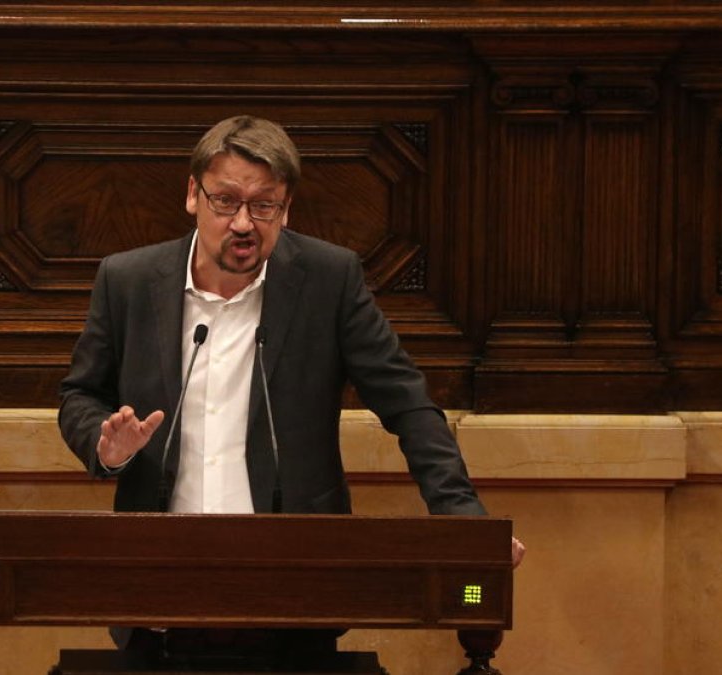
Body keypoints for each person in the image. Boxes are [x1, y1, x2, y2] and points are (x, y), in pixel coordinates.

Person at [58, 114, 524, 662]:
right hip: (159, 584)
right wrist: (105, 446)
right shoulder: (128, 280)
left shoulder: (328, 280)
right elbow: (80, 396)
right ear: (192, 195)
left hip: (297, 588)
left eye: (264, 206)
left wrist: (463, 524)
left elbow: (409, 404)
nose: (243, 223)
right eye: (226, 201)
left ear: (287, 208)